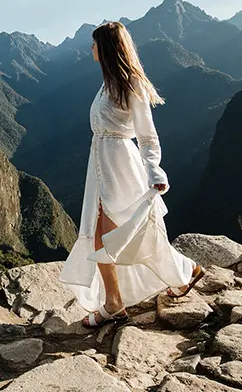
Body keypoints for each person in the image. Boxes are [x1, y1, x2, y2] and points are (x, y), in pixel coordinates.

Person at [59, 21, 204, 328]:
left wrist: (154, 169)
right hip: (101, 167)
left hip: (121, 167)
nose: (91, 49)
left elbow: (147, 135)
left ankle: (118, 302)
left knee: (119, 236)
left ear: (108, 48)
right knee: (109, 235)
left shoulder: (131, 84)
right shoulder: (107, 83)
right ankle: (173, 276)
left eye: (95, 44)